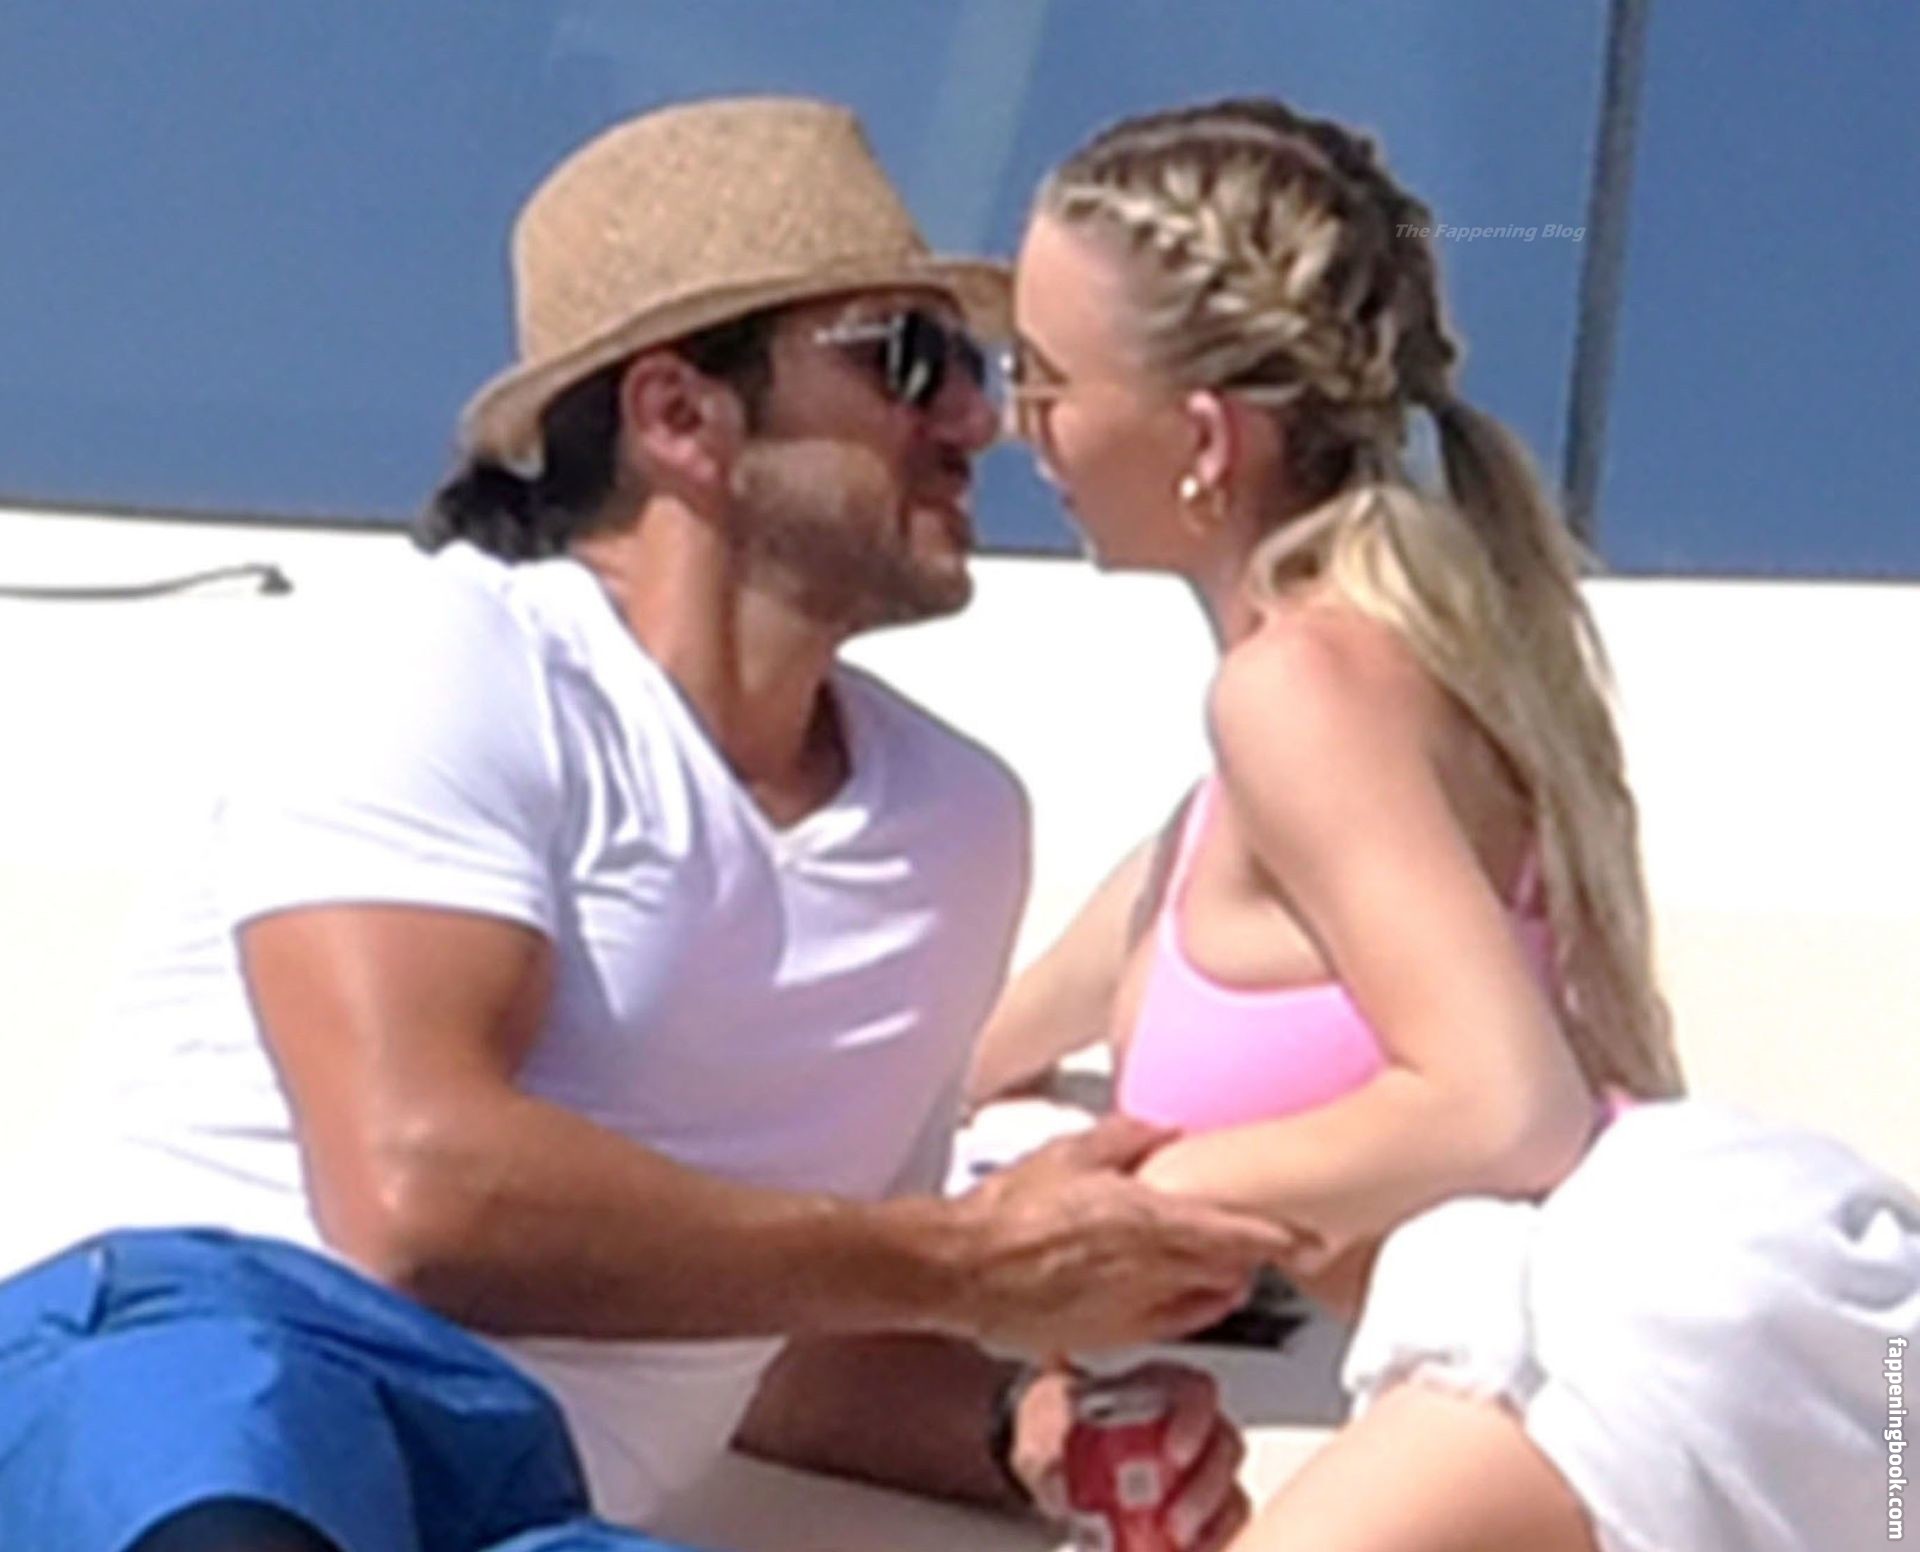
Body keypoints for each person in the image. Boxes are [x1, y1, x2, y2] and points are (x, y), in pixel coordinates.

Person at [0, 97, 1287, 1552]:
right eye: (905, 360)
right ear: (679, 416)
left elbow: (781, 1313)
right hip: (223, 1369)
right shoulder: (448, 659)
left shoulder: (958, 828)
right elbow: (415, 1195)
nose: (975, 421)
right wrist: (964, 1263)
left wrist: (1023, 1428)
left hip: (532, 1504)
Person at [975, 95, 1920, 1552]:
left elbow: (1505, 1108)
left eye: (1042, 380)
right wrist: (1028, 1323)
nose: (1013, 424)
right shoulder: (1266, 778)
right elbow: (970, 1075)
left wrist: (1137, 1202)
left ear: (1203, 436)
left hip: (1572, 1344)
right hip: (1579, 1342)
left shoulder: (1297, 693)